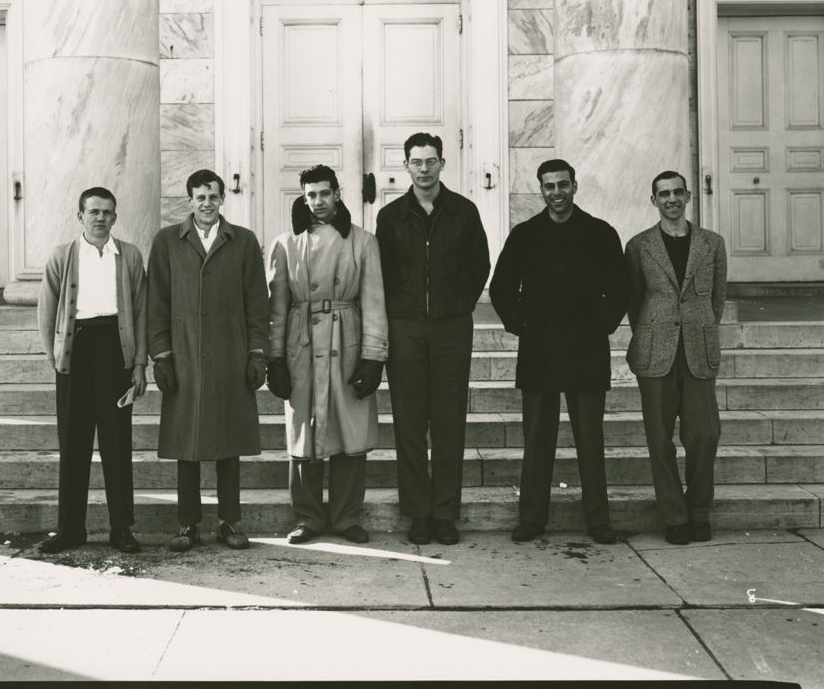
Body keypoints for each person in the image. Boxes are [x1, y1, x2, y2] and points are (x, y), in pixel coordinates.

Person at [489, 159, 627, 545]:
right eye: (549, 186)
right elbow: (501, 288)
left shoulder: (600, 233)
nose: (557, 193)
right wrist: (522, 324)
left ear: (575, 186)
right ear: (541, 191)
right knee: (537, 440)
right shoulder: (525, 234)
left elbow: (619, 289)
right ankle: (532, 518)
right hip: (540, 350)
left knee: (590, 439)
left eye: (563, 185)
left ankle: (598, 521)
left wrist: (599, 324)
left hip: (586, 349)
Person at [375, 132, 490, 545]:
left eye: (430, 161)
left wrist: (457, 306)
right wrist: (398, 313)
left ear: (442, 163)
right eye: (416, 162)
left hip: (450, 329)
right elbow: (381, 274)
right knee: (408, 423)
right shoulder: (390, 218)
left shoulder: (464, 211)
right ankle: (418, 513)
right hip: (405, 329)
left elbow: (480, 266)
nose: (424, 169)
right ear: (405, 166)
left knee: (448, 423)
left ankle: (445, 513)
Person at [147, 169, 270, 552]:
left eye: (213, 197)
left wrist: (256, 352)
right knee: (187, 445)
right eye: (200, 197)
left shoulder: (243, 241)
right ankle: (188, 525)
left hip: (229, 358)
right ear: (189, 200)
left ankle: (230, 523)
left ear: (222, 200)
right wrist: (162, 356)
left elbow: (257, 302)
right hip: (184, 356)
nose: (207, 204)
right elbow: (157, 303)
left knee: (228, 445)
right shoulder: (168, 240)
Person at [266, 165, 388, 545]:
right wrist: (275, 359)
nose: (317, 201)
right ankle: (307, 516)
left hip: (346, 340)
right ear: (303, 198)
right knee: (304, 429)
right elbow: (277, 307)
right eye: (310, 195)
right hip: (302, 344)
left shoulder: (363, 242)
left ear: (337, 193)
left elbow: (373, 302)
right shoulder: (286, 244)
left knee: (349, 428)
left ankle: (347, 516)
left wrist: (373, 358)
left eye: (324, 193)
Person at [37, 187, 147, 554]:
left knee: (117, 445)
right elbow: (47, 310)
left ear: (115, 218)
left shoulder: (129, 256)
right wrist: (55, 356)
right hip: (76, 351)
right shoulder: (62, 257)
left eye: (107, 213)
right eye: (93, 211)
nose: (100, 218)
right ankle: (70, 529)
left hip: (115, 351)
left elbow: (142, 313)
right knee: (73, 443)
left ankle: (121, 528)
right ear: (80, 215)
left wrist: (138, 364)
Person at [625, 171, 727, 545]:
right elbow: (634, 301)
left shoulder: (712, 244)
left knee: (704, 434)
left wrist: (697, 329)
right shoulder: (639, 245)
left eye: (677, 192)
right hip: (655, 351)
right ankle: (674, 516)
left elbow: (716, 298)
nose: (671, 199)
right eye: (663, 194)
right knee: (659, 438)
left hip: (698, 348)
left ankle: (699, 512)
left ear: (688, 196)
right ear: (653, 201)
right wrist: (654, 331)